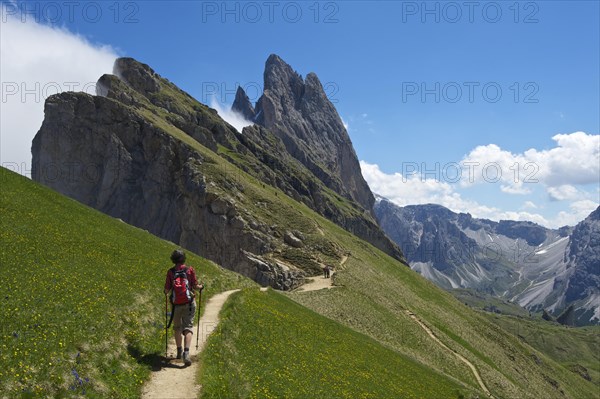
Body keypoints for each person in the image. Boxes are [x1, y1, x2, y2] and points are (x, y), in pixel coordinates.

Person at [164, 249, 203, 366]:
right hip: (189, 303)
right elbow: (195, 286)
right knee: (188, 327)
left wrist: (166, 292)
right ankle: (186, 352)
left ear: (173, 259)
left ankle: (179, 350)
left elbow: (166, 290)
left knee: (177, 328)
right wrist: (201, 287)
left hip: (176, 305)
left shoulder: (170, 272)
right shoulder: (190, 270)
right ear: (183, 259)